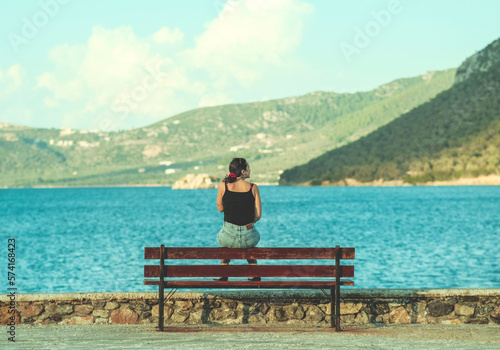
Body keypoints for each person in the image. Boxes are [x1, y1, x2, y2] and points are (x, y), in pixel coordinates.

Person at [215, 158, 262, 281]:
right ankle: (254, 271)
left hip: (228, 237)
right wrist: (246, 223)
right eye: (248, 168)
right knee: (249, 242)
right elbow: (258, 216)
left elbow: (220, 208)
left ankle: (223, 271)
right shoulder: (253, 187)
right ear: (243, 172)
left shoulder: (223, 185)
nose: (250, 170)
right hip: (249, 237)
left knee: (224, 241)